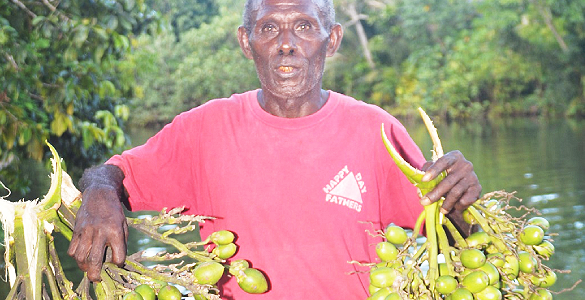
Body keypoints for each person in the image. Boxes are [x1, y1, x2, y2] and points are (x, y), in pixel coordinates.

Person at [68, 0, 481, 299]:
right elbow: (114, 173)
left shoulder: (378, 130)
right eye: (269, 28)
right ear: (247, 43)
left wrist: (461, 200)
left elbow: (451, 234)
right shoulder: (204, 129)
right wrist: (99, 192)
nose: (286, 43)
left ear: (331, 40)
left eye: (304, 26)